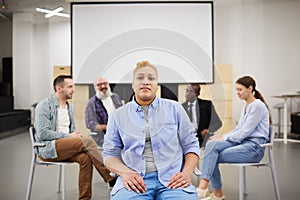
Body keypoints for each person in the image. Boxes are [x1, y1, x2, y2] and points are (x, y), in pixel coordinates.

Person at [102, 61, 201, 200]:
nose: (145, 82)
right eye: (140, 78)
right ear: (133, 84)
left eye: (151, 78)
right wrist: (125, 173)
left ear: (157, 84)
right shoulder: (117, 115)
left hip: (173, 178)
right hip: (134, 180)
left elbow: (191, 144)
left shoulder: (175, 108)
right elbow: (109, 154)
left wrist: (186, 172)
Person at [34, 75, 116, 200]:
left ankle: (84, 198)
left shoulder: (69, 106)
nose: (73, 90)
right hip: (48, 147)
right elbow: (43, 134)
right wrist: (69, 136)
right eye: (70, 87)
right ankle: (109, 176)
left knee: (86, 158)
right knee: (88, 142)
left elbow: (72, 131)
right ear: (59, 88)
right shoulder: (44, 105)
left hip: (66, 145)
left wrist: (75, 135)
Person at [196, 75, 272, 200]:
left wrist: (224, 139)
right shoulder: (246, 106)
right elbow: (238, 130)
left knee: (211, 156)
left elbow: (245, 132)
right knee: (211, 145)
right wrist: (221, 137)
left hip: (254, 148)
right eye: (236, 90)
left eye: (240, 89)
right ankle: (211, 191)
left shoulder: (257, 106)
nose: (237, 93)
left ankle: (209, 191)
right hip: (243, 143)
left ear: (250, 88)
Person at [85, 77, 122, 147]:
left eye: (105, 84)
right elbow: (90, 125)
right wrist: (109, 127)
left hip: (120, 134)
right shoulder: (91, 103)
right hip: (102, 137)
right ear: (95, 88)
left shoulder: (116, 97)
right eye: (99, 85)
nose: (103, 86)